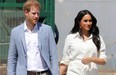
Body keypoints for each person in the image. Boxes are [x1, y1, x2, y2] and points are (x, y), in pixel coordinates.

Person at [7, 0, 59, 75]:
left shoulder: (47, 30)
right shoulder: (15, 32)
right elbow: (12, 58)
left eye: (38, 13)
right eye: (34, 13)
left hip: (44, 72)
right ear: (26, 12)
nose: (36, 16)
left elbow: (53, 55)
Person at [60, 9, 107, 75]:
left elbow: (103, 61)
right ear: (79, 22)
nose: (88, 23)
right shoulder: (70, 38)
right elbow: (65, 61)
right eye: (85, 21)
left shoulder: (98, 38)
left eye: (90, 21)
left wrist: (92, 59)